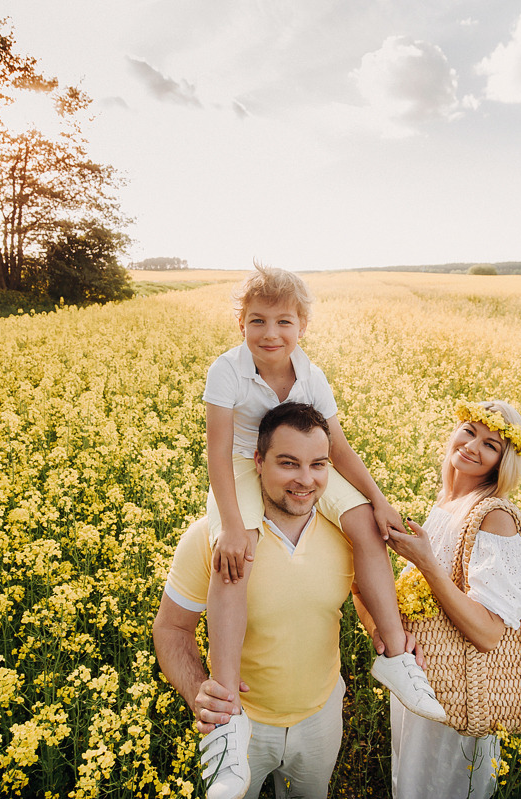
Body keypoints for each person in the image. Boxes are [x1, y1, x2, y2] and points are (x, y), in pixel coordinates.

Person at [197, 265, 444, 798]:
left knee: (363, 525)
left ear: (302, 326)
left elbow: (336, 445)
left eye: (284, 321)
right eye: (257, 320)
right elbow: (218, 452)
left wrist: (377, 499)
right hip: (247, 464)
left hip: (304, 463)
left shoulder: (311, 374)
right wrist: (235, 525)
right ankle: (226, 717)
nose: (270, 333)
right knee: (235, 553)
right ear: (240, 322)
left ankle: (397, 657)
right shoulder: (226, 370)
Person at [154, 403, 425, 799]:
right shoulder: (214, 538)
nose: (305, 480)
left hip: (322, 717)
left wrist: (379, 632)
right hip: (240, 725)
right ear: (258, 462)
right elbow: (172, 627)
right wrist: (200, 691)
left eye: (318, 465)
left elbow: (358, 588)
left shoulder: (347, 534)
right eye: (288, 463)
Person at [355, 399, 521, 799]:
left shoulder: (495, 516)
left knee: (442, 786)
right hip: (425, 677)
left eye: (490, 445)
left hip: (462, 689)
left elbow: (489, 633)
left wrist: (425, 562)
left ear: (501, 463)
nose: (473, 446)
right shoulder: (447, 504)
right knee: (412, 784)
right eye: (470, 431)